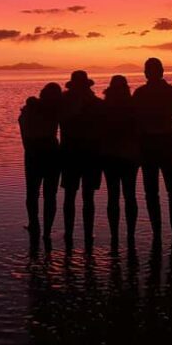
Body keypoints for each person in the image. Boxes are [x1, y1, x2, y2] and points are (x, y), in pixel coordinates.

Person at [132, 57, 172, 248]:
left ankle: (166, 233)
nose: (149, 74)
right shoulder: (168, 93)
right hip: (157, 145)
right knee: (166, 191)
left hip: (161, 144)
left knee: (160, 192)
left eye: (149, 70)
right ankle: (168, 232)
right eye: (149, 70)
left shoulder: (148, 93)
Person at [60, 70, 104, 247]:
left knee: (85, 196)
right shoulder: (65, 104)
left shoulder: (95, 103)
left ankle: (86, 233)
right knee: (73, 196)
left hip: (87, 154)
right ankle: (71, 233)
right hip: (75, 154)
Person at [18, 82, 62, 244]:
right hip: (47, 151)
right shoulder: (56, 109)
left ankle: (36, 225)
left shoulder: (33, 108)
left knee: (34, 193)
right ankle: (45, 230)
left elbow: (23, 126)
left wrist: (27, 146)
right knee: (48, 194)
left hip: (35, 151)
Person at [100, 75, 140, 247]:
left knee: (113, 196)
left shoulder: (104, 107)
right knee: (130, 195)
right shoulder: (132, 106)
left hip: (110, 156)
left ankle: (114, 235)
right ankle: (130, 234)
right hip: (129, 156)